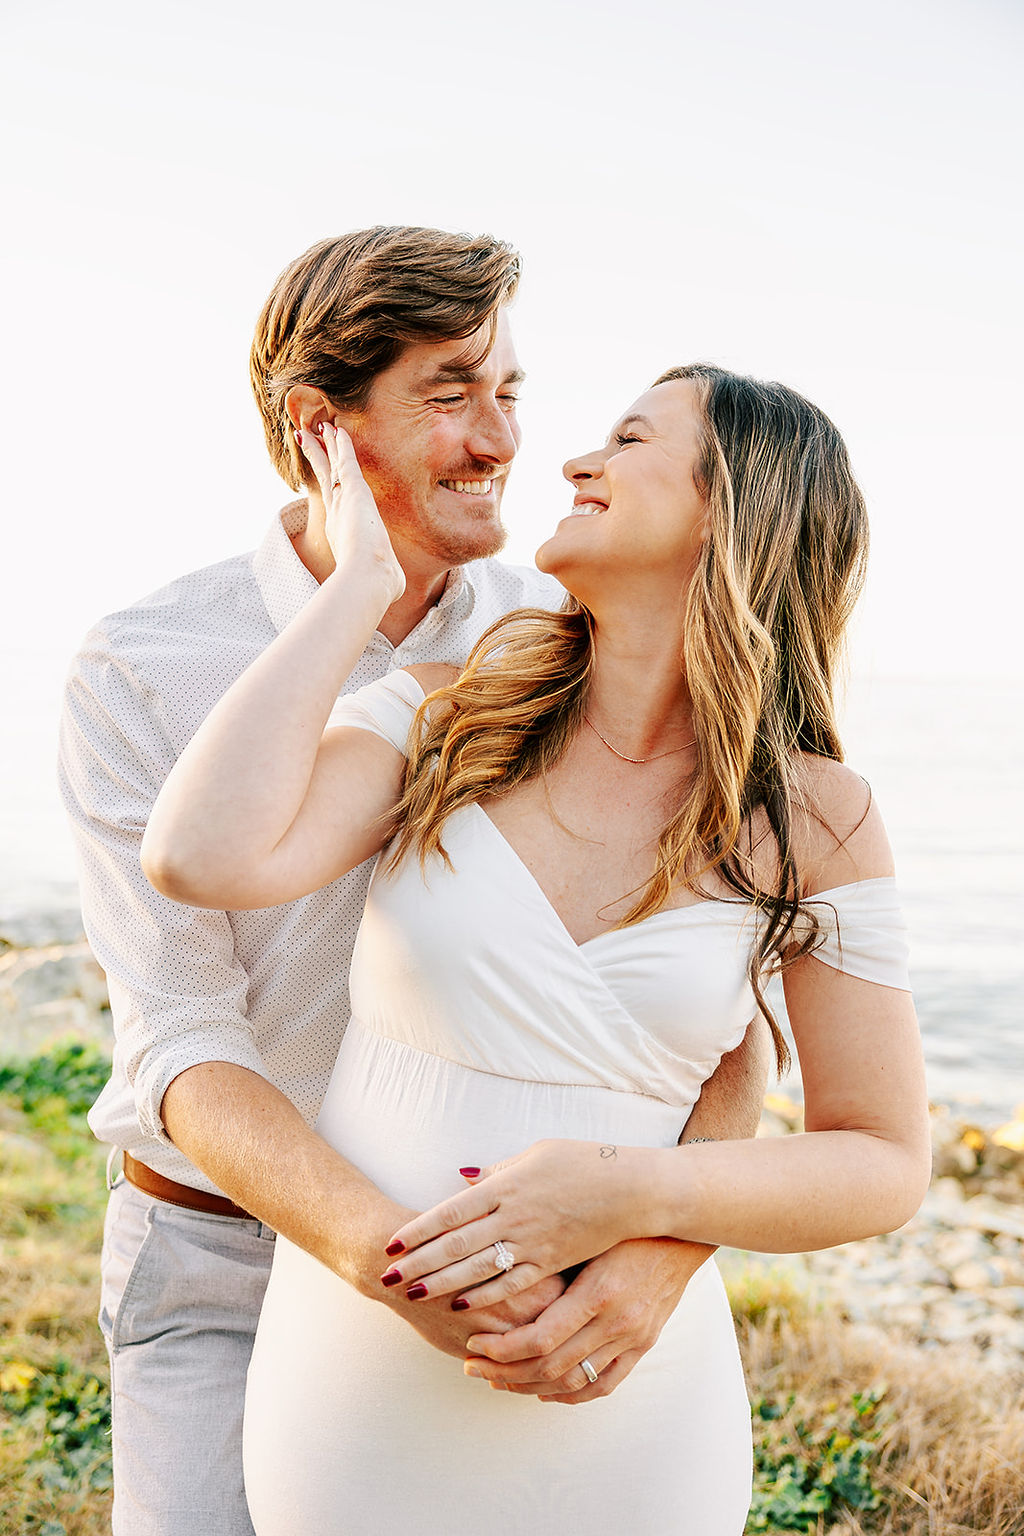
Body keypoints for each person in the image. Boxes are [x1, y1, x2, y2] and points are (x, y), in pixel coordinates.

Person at [58, 228, 768, 1536]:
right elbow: (185, 1036)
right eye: (451, 394)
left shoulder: (551, 637)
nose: (503, 439)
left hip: (500, 1269)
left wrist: (662, 1252)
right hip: (217, 1256)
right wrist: (381, 1263)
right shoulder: (142, 668)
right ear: (320, 426)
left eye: (510, 390)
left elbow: (725, 1009)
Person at [142, 365, 932, 1534]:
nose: (573, 460)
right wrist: (357, 586)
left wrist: (633, 1207)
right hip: (361, 1375)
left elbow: (879, 1157)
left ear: (736, 507)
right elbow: (200, 858)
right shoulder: (447, 714)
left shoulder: (816, 815)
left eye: (628, 439)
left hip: (624, 1381)